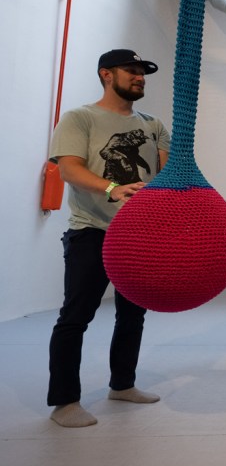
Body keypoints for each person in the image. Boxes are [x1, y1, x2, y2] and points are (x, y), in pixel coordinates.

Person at [47, 49, 171, 427]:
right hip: (92, 230)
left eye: (143, 72)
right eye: (131, 70)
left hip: (138, 235)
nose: (140, 77)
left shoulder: (153, 124)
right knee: (76, 316)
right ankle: (65, 402)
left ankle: (122, 384)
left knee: (132, 314)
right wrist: (113, 188)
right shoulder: (80, 117)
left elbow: (165, 174)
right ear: (106, 74)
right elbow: (69, 169)